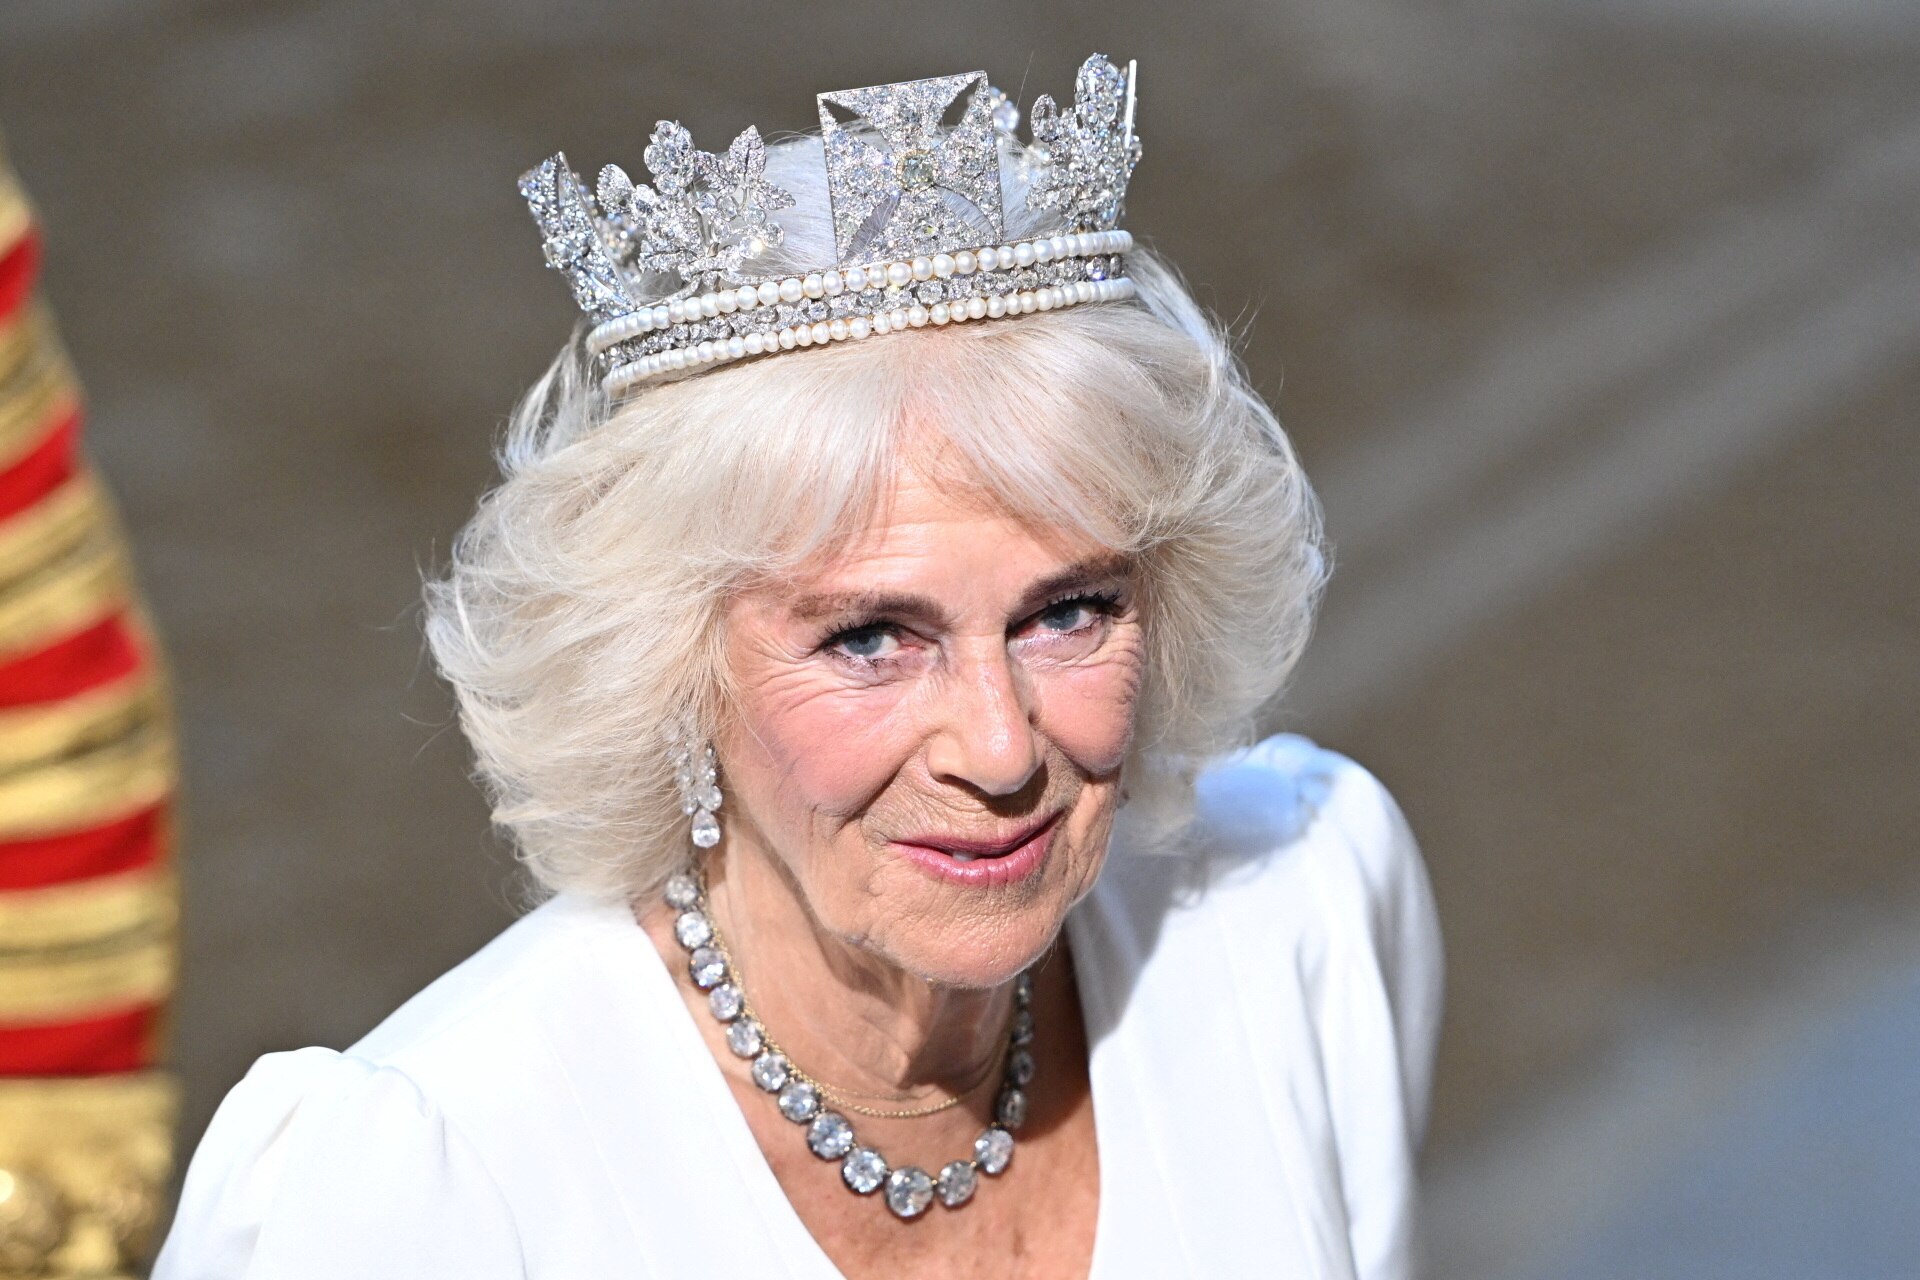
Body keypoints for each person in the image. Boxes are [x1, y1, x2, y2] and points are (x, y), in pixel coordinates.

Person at [154, 55, 1442, 1280]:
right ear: (670, 671)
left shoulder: (1293, 916)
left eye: (1069, 614)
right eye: (871, 638)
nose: (998, 750)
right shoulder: (419, 1188)